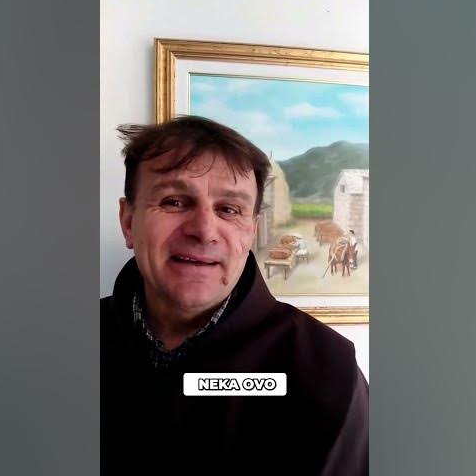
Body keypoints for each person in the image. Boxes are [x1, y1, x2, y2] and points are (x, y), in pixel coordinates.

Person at [101, 116, 368, 475]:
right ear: (128, 221)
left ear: (250, 233)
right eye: (175, 201)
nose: (204, 230)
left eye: (229, 209)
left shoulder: (327, 370)